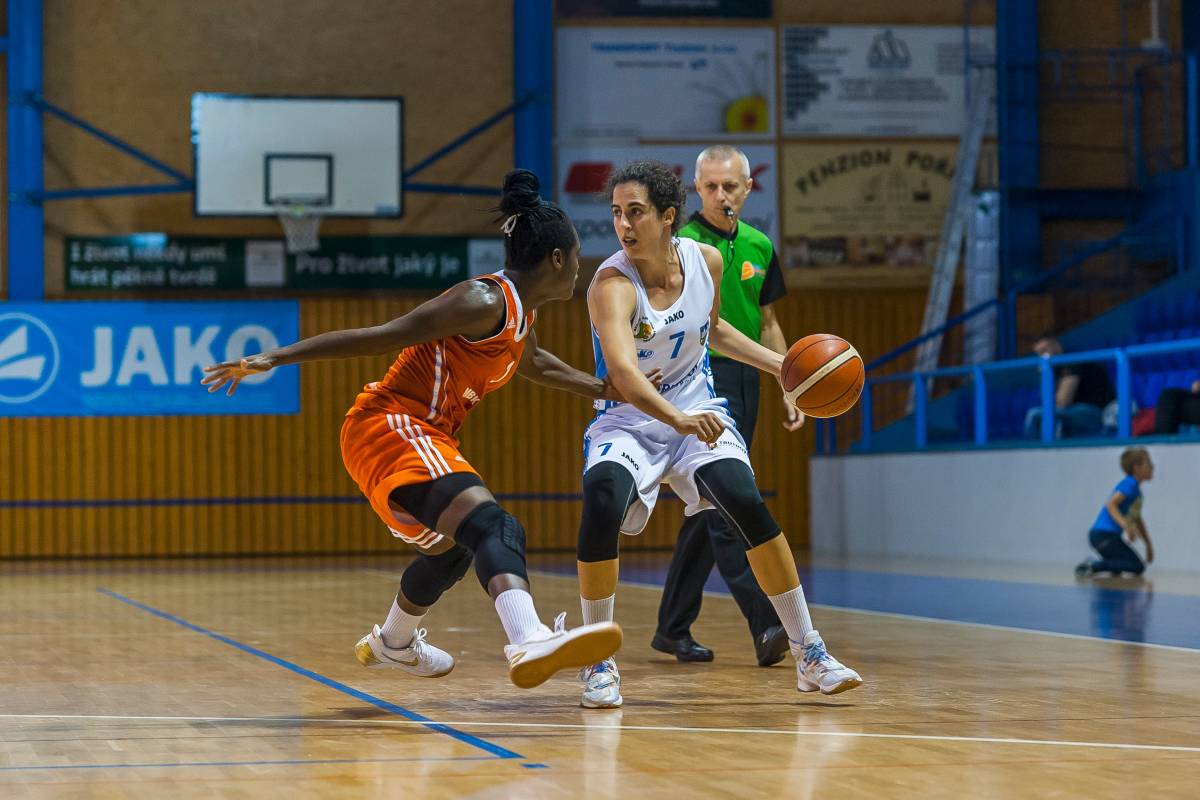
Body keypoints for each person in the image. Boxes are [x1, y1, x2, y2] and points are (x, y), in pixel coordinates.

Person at [202, 170, 625, 692]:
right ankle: (528, 637)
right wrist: (274, 357)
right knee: (495, 527)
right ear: (557, 259)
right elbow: (381, 335)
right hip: (392, 425)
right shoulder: (482, 300)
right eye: (578, 255)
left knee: (453, 550)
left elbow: (535, 363)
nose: (581, 266)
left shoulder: (520, 315)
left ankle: (394, 641)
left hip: (408, 436)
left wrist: (604, 389)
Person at [573, 161, 862, 709]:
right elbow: (624, 374)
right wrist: (675, 419)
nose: (623, 225)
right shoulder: (611, 284)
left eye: (635, 212)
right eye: (616, 213)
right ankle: (597, 660)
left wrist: (782, 368)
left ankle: (810, 652)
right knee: (602, 499)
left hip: (695, 408)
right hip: (630, 418)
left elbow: (714, 330)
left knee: (743, 501)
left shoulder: (705, 261)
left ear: (667, 216)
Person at [652, 145, 800, 668]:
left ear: (748, 188)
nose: (721, 195)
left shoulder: (760, 244)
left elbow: (768, 324)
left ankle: (671, 627)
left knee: (708, 503)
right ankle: (767, 623)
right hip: (697, 377)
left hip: (747, 377)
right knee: (727, 502)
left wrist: (789, 383)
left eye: (730, 186)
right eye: (711, 186)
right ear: (696, 189)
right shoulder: (681, 246)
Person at [1076, 447, 1155, 577]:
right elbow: (1111, 505)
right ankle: (1093, 566)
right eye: (1149, 464)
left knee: (1119, 566)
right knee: (1136, 566)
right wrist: (1126, 526)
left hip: (1109, 537)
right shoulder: (1130, 484)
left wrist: (1148, 544)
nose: (1152, 467)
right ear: (1137, 468)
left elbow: (1137, 519)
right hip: (1103, 536)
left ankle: (1102, 567)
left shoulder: (1137, 492)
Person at [1023, 337, 1116, 439]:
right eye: (1039, 353)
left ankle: (1034, 448)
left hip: (1097, 411)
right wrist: (1044, 375)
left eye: (1044, 350)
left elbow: (1063, 402)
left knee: (1034, 414)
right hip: (1074, 410)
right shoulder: (1053, 368)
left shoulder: (1071, 359)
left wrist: (1046, 375)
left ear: (1057, 346)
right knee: (1044, 415)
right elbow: (1047, 402)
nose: (1043, 356)